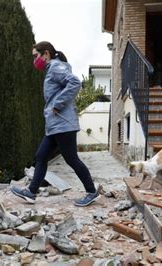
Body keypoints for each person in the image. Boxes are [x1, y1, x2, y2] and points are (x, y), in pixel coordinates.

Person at [10, 41, 100, 207]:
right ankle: (31, 192)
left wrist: (57, 104)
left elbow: (75, 83)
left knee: (71, 159)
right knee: (41, 156)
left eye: (36, 56)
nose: (34, 60)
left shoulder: (56, 67)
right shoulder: (52, 68)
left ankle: (91, 191)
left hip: (63, 124)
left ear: (46, 54)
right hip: (55, 126)